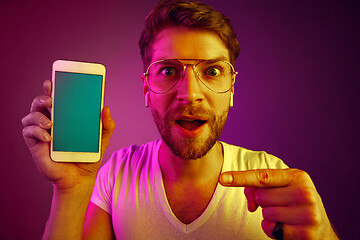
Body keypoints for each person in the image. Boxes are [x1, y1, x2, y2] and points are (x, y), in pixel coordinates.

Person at [22, 0, 339, 239]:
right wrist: (70, 191)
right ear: (146, 88)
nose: (190, 94)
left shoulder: (275, 182)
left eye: (212, 71)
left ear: (231, 87)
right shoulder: (115, 176)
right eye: (169, 71)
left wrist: (325, 235)